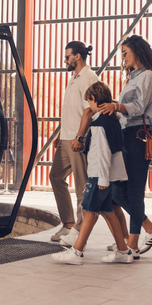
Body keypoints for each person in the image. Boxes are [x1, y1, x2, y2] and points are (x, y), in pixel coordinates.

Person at [51, 82, 133, 265]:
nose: (88, 106)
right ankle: (123, 251)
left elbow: (102, 153)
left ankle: (77, 252)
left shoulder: (99, 125)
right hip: (108, 175)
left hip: (98, 175)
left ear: (94, 99)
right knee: (107, 211)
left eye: (89, 102)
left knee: (88, 211)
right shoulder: (113, 119)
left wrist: (102, 179)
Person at [98, 35, 152, 255]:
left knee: (135, 192)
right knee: (117, 193)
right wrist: (115, 113)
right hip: (127, 135)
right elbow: (128, 110)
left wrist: (116, 106)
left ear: (137, 51)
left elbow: (137, 107)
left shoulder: (148, 76)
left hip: (139, 136)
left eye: (125, 52)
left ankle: (133, 244)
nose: (123, 57)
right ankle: (151, 229)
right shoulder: (133, 78)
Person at [49, 41, 99, 242]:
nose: (65, 60)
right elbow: (71, 110)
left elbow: (89, 110)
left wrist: (79, 137)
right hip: (66, 138)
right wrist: (60, 133)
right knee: (55, 177)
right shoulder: (74, 78)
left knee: (81, 186)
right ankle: (68, 224)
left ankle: (79, 233)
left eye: (67, 56)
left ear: (77, 57)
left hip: (78, 139)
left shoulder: (89, 77)